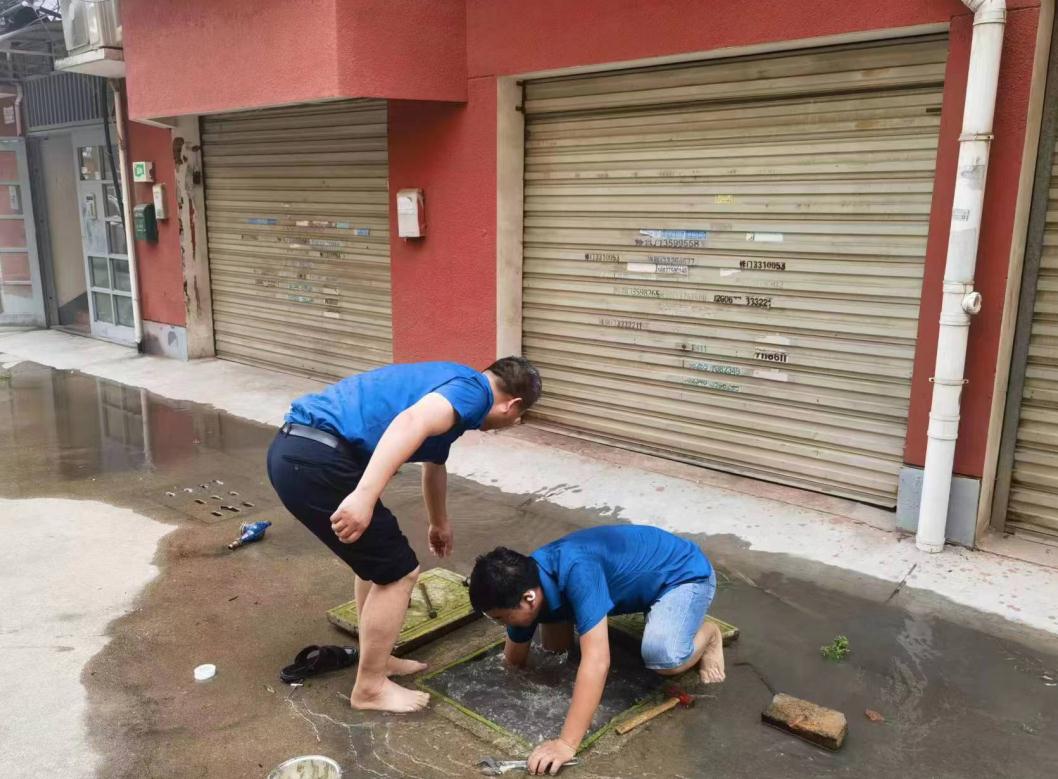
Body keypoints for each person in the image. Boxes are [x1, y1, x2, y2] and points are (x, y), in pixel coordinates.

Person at [267, 357, 541, 713]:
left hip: (295, 451)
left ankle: (376, 660)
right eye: (519, 417)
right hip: (317, 459)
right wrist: (365, 496)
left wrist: (439, 522)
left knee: (376, 567)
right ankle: (370, 688)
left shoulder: (455, 387)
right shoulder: (474, 393)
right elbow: (410, 422)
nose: (514, 423)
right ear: (512, 405)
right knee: (399, 573)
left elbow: (434, 465)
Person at [468, 525, 723, 776]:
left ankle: (710, 635)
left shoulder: (578, 571)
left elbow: (598, 661)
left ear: (528, 598)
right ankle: (659, 616)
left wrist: (566, 744)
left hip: (682, 575)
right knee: (554, 650)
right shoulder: (526, 579)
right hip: (637, 573)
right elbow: (513, 661)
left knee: (663, 658)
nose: (501, 625)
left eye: (500, 618)